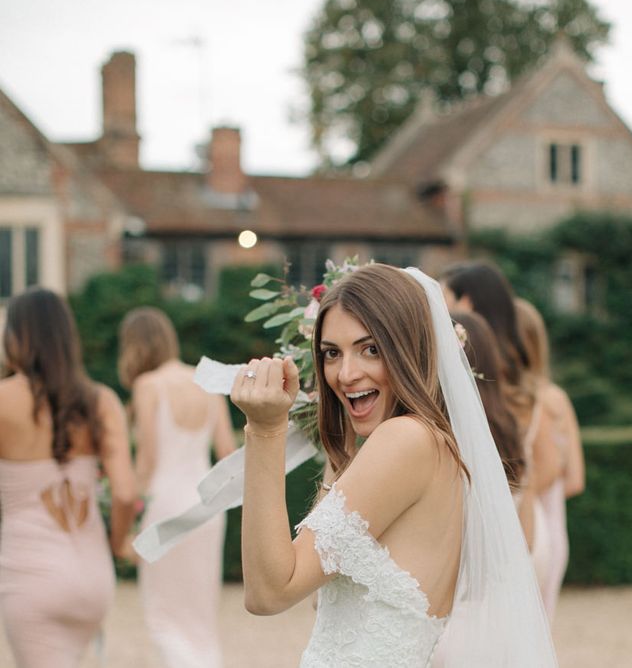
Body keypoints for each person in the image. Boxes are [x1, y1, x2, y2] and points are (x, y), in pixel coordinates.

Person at [231, 264, 557, 666]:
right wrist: (343, 446)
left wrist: (264, 430)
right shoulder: (434, 445)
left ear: (410, 350)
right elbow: (318, 596)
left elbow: (268, 593)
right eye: (332, 353)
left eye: (370, 349)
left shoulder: (406, 440)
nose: (346, 374)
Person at [0, 288, 136, 668]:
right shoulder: (101, 400)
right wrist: (118, 543)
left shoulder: (3, 400)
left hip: (30, 578)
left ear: (16, 337)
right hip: (92, 577)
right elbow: (125, 493)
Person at [118, 307, 236, 668]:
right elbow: (229, 455)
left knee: (163, 616)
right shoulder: (205, 381)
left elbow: (147, 461)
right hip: (206, 511)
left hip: (164, 506)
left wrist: (127, 519)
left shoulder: (147, 385)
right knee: (201, 620)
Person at [441, 262, 563, 590]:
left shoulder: (484, 378)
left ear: (465, 304)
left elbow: (547, 466)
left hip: (500, 532)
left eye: (443, 297)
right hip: (517, 523)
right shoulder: (517, 375)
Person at [450, 309, 551, 585]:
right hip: (508, 576)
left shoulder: (445, 433)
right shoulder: (511, 427)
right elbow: (527, 538)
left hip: (458, 585)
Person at [514, 297, 586, 620]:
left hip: (531, 525)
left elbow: (554, 469)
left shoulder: (533, 400)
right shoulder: (558, 396)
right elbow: (574, 480)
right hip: (556, 525)